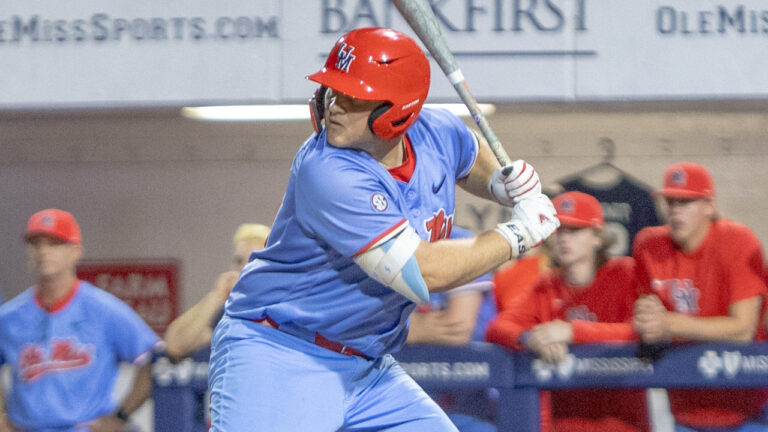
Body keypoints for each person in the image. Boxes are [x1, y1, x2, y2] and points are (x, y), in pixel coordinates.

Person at [208, 27, 559, 431]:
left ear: (398, 112)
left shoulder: (435, 131)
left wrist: (500, 182)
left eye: (353, 96)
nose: (334, 106)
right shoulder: (327, 171)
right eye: (331, 91)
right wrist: (516, 234)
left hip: (367, 365)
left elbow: (470, 151)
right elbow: (422, 273)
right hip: (280, 352)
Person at [486, 191, 649, 432]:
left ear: (597, 237)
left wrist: (572, 332)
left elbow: (641, 330)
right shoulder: (547, 284)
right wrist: (530, 339)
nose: (564, 239)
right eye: (560, 230)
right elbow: (497, 327)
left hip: (622, 422)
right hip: (566, 423)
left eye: (575, 230)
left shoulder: (625, 273)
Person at [632, 162, 768, 432]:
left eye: (686, 202)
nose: (676, 211)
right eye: (670, 202)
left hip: (748, 406)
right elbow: (644, 316)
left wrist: (670, 325)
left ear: (709, 205)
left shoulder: (737, 240)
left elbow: (743, 329)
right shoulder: (648, 245)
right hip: (685, 407)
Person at [0, 209, 159, 432]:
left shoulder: (103, 309)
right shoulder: (10, 316)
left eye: (54, 243)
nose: (43, 251)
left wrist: (120, 416)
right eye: (36, 244)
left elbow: (154, 359)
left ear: (76, 251)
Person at [163, 223, 270, 359]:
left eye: (253, 261)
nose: (243, 269)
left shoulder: (281, 308)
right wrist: (217, 296)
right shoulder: (226, 312)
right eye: (238, 261)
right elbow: (176, 345)